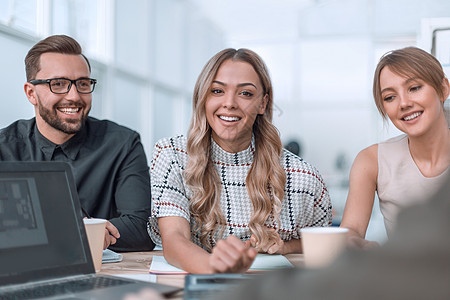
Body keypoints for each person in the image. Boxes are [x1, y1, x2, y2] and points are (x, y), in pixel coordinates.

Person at [148, 48, 332, 273]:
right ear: (203, 97)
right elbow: (174, 240)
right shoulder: (171, 156)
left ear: (263, 104)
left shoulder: (303, 177)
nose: (229, 103)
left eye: (245, 93)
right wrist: (219, 271)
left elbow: (324, 246)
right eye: (217, 90)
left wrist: (285, 246)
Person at [0, 35, 155, 252]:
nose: (74, 96)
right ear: (31, 93)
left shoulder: (123, 144)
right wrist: (84, 233)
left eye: (82, 83)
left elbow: (142, 229)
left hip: (100, 274)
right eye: (58, 84)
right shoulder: (4, 148)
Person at [340, 47, 449, 249]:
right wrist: (355, 244)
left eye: (414, 88)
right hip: (407, 278)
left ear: (443, 88)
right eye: (390, 97)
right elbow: (351, 230)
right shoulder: (371, 161)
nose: (404, 103)